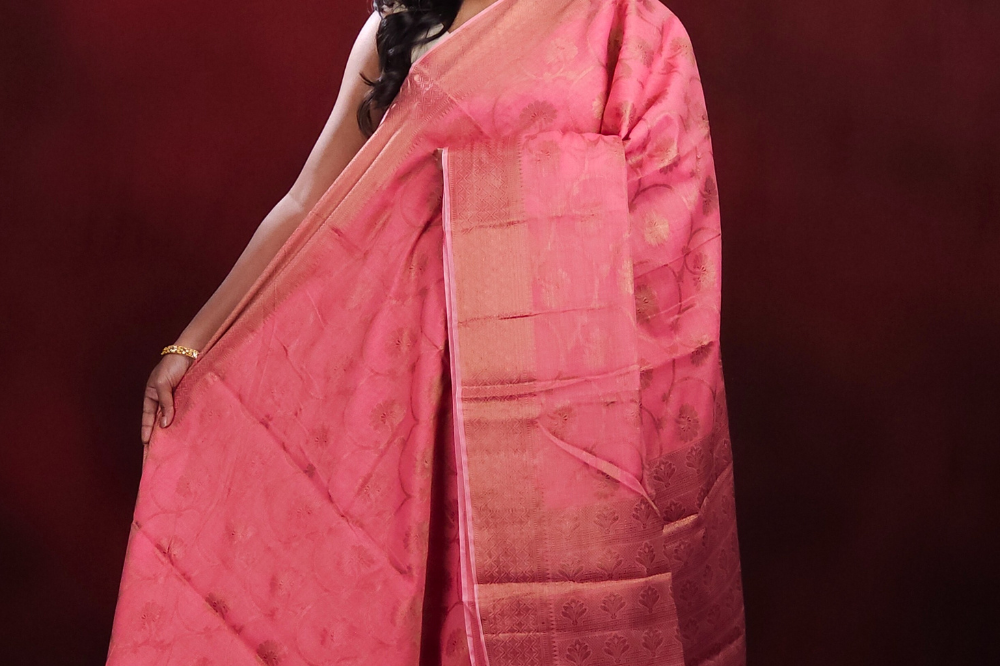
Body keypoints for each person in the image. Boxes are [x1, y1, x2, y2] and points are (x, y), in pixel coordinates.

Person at [108, 1, 747, 664]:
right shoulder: (401, 26)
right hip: (407, 405)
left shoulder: (628, 31)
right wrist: (194, 340)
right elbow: (306, 202)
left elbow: (670, 236)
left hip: (559, 424)